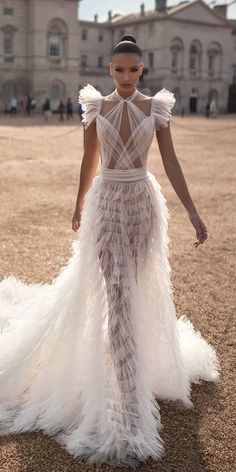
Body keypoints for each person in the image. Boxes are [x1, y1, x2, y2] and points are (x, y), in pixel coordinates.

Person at [0, 35, 220, 468]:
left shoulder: (156, 108)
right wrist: (78, 203)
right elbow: (89, 159)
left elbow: (171, 162)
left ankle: (128, 376)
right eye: (118, 70)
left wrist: (193, 212)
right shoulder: (94, 106)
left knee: (134, 291)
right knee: (116, 298)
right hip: (106, 204)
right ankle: (125, 414)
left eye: (132, 70)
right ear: (108, 69)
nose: (124, 77)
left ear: (142, 70)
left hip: (142, 206)